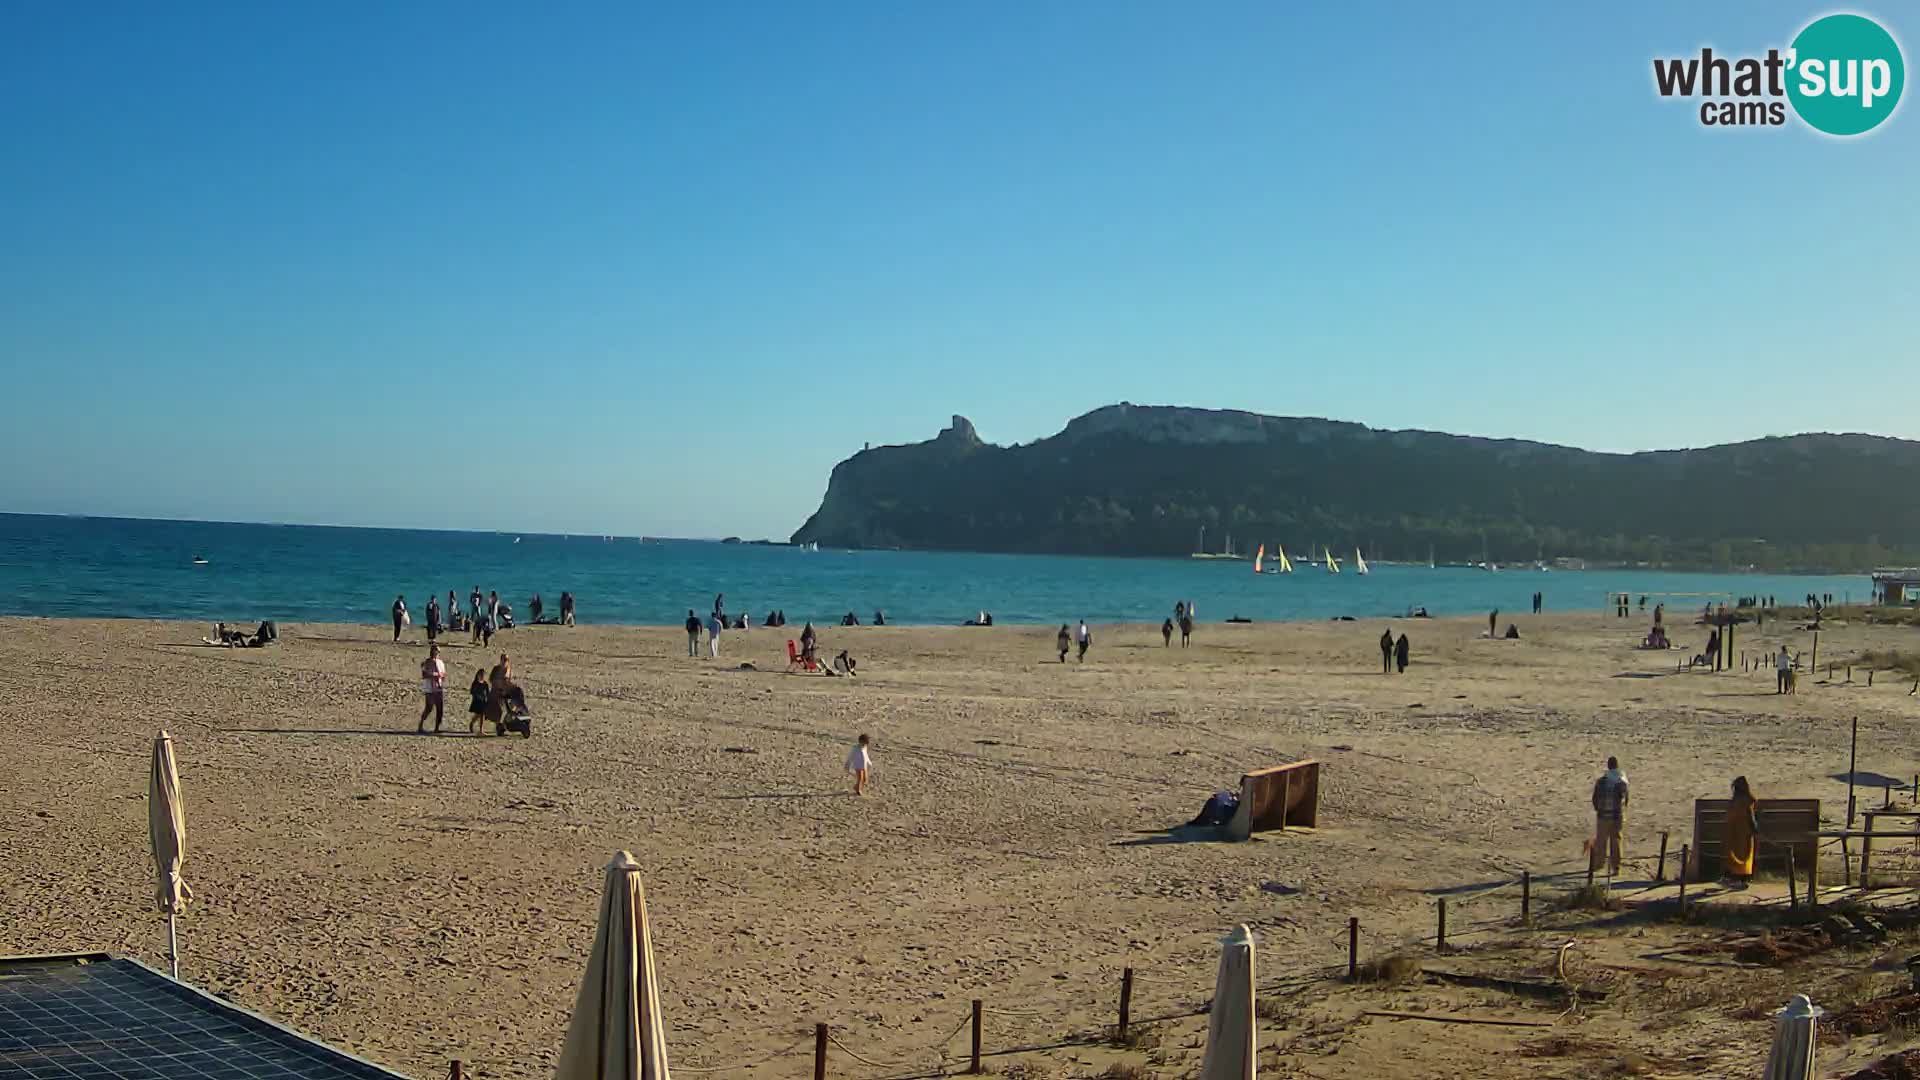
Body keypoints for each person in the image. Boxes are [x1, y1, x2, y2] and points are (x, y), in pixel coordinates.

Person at [1589, 757, 1629, 878]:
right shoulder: (1622, 781)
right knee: (1616, 841)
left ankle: (1598, 865)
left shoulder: (1601, 781)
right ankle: (1616, 867)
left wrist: (1598, 809)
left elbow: (1594, 798)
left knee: (1601, 841)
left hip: (1602, 816)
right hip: (1617, 816)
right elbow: (1625, 799)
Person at [1724, 776, 1760, 883]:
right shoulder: (1749, 800)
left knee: (1734, 852)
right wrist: (1755, 829)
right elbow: (1751, 817)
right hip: (1746, 834)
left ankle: (1734, 876)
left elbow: (1730, 818)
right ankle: (1745, 876)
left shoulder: (1735, 803)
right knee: (1746, 854)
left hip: (1736, 835)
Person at [418, 644, 447, 733]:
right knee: (429, 707)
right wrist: (434, 675)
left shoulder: (440, 662)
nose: (437, 652)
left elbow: (443, 674)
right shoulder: (427, 662)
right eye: (436, 650)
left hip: (438, 687)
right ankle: (421, 725)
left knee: (440, 708)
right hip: (430, 688)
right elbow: (424, 674)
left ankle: (437, 727)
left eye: (438, 651)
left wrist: (441, 677)